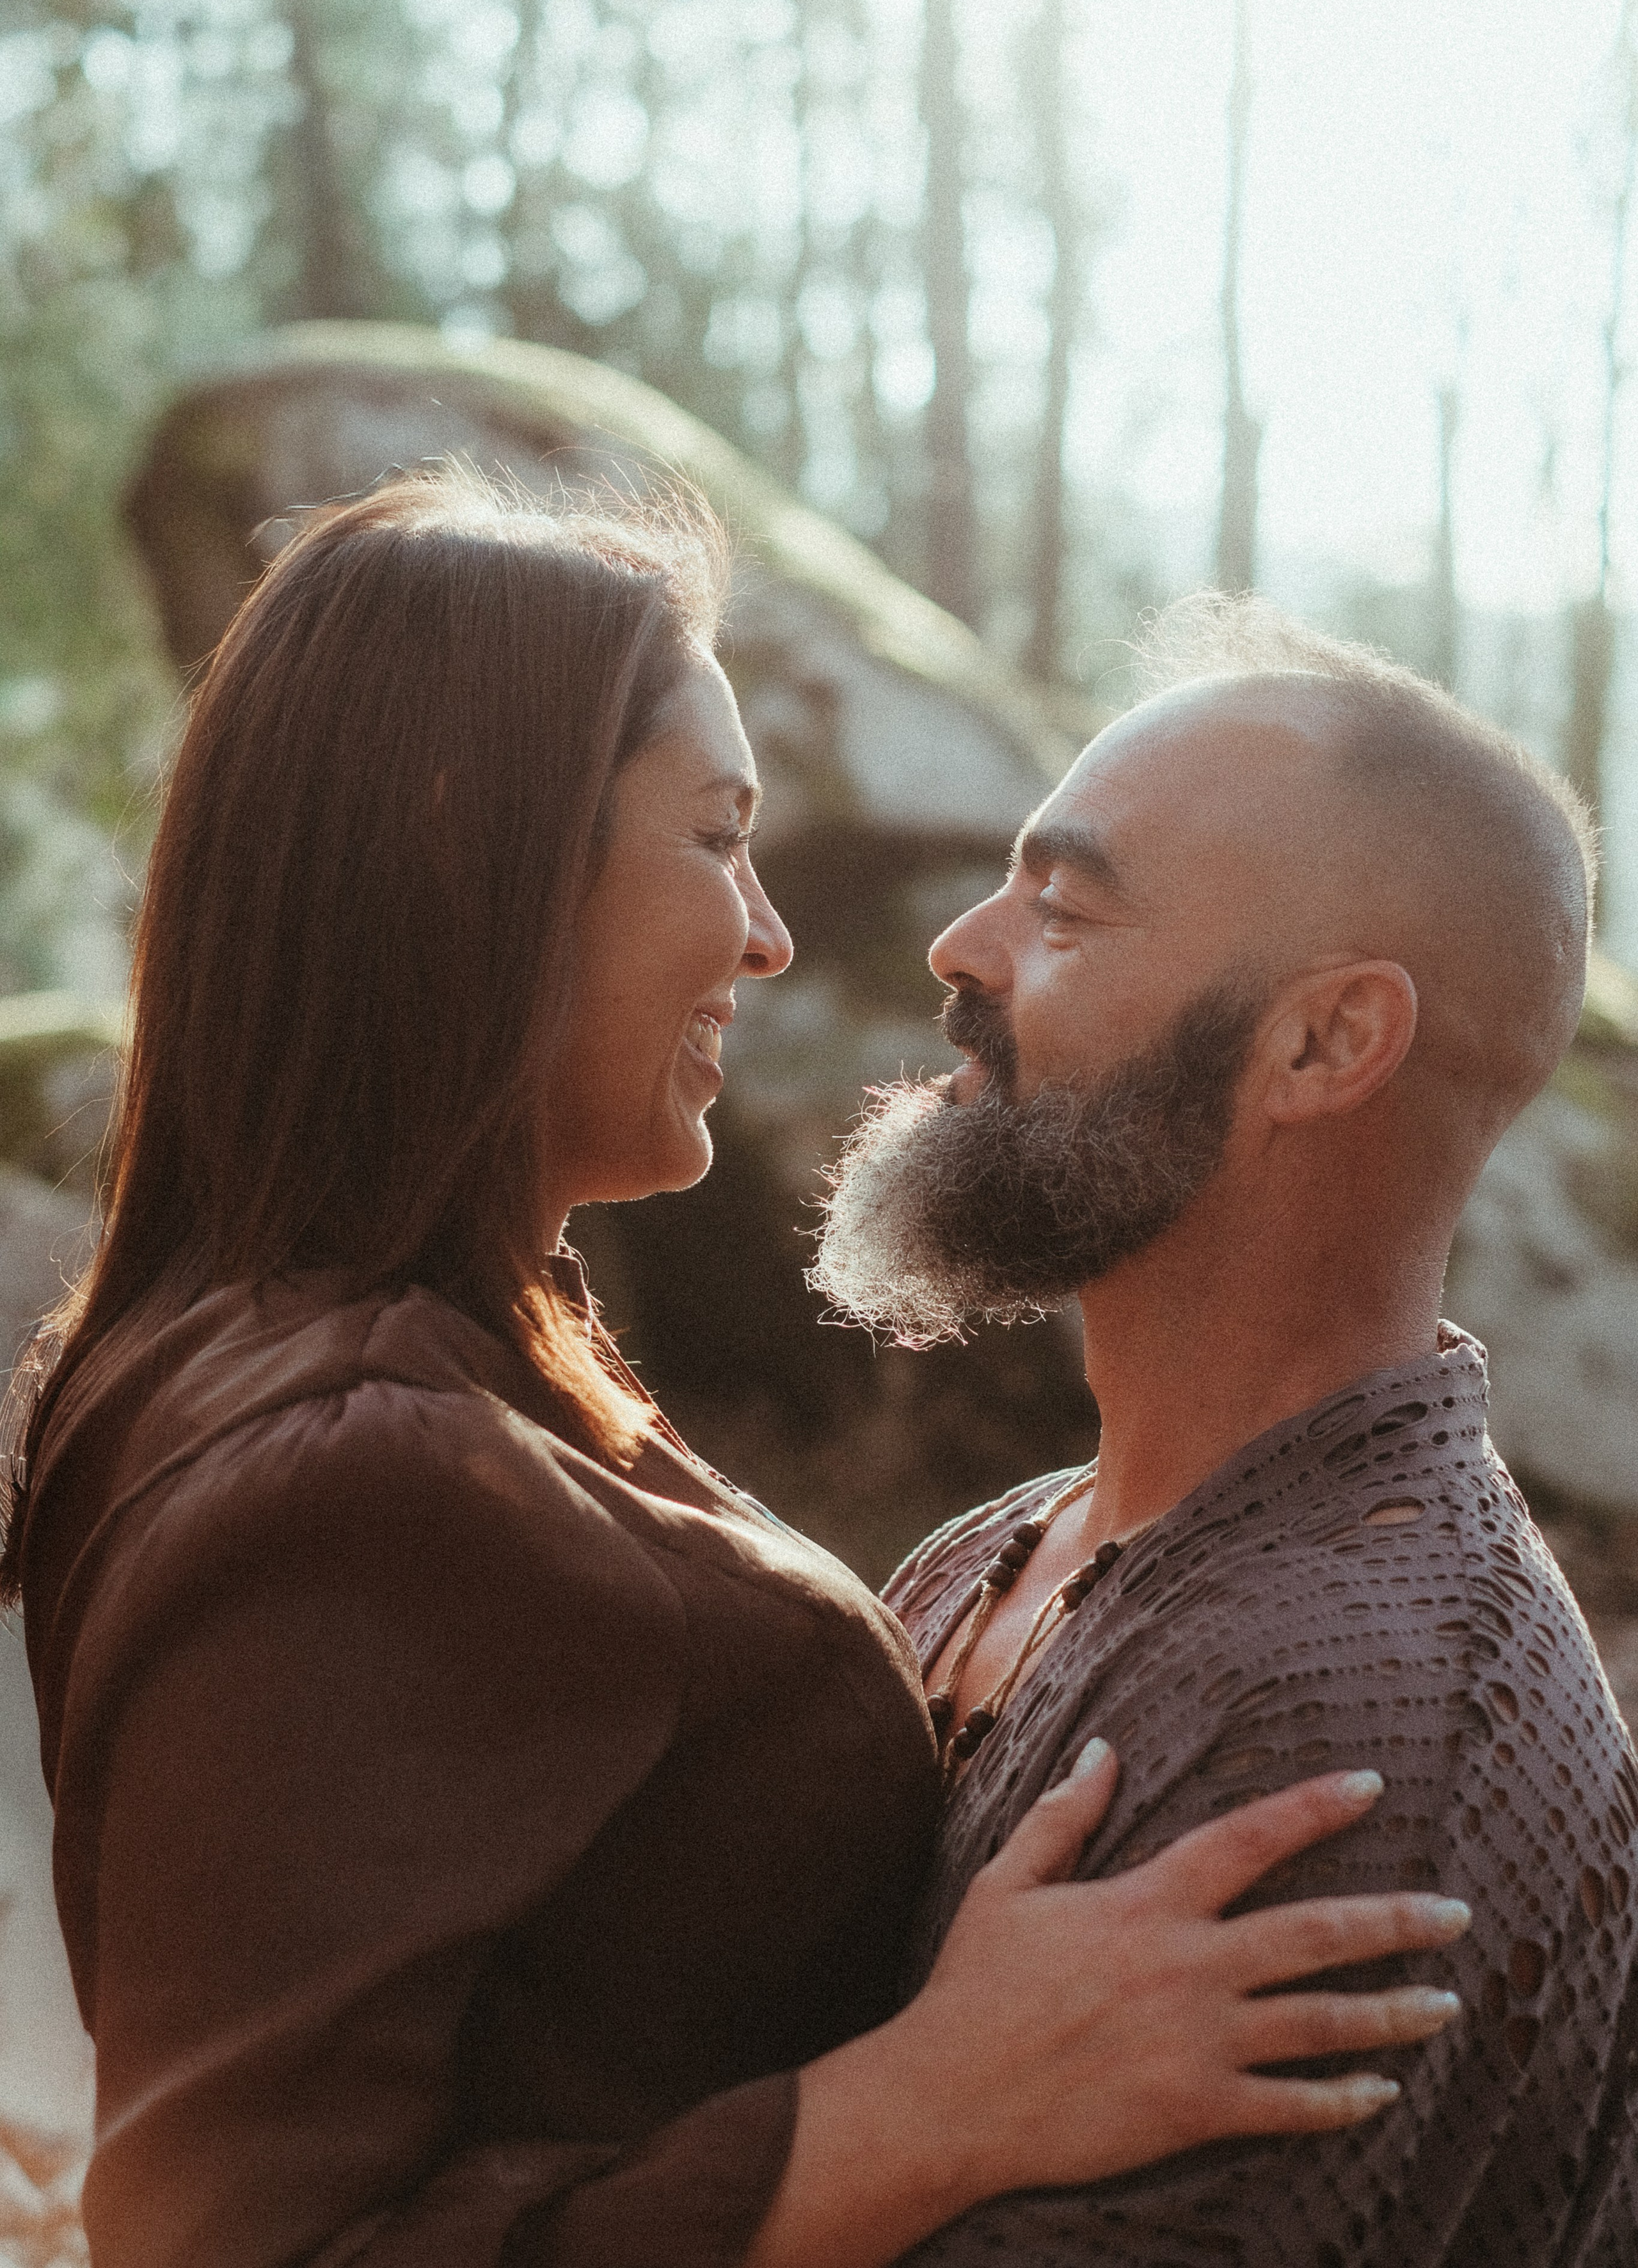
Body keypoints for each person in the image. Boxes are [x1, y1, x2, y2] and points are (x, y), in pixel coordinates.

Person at [0, 491, 1470, 2268]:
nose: (769, 936)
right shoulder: (355, 1461)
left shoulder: (357, 1345)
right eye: (714, 838)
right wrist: (918, 2113)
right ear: (479, 850)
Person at [813, 595, 1638, 2265]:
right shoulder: (1007, 1545)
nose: (961, 949)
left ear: (1324, 1041)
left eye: (1067, 904)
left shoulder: (1345, 1751)